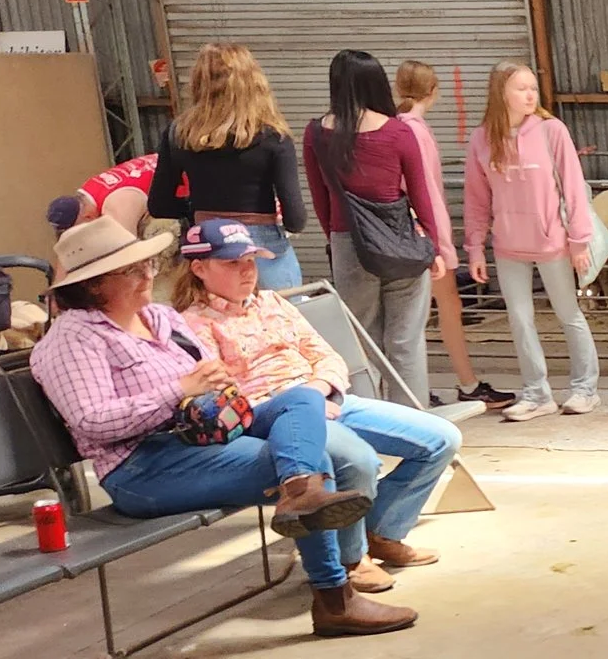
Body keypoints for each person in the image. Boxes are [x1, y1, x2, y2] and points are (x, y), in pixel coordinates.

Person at [28, 219, 412, 637]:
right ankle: (334, 596)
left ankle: (304, 492)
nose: (148, 276)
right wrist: (178, 391)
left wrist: (217, 383)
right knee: (304, 463)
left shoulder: (158, 318)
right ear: (93, 286)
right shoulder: (73, 338)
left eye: (149, 265)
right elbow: (91, 421)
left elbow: (212, 381)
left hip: (206, 431)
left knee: (301, 401)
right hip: (144, 465)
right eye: (132, 270)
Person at [169, 218, 460, 597]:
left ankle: (382, 530)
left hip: (326, 399)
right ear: (199, 268)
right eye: (232, 263)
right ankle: (351, 559)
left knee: (441, 438)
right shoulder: (191, 326)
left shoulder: (273, 302)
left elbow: (326, 355)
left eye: (252, 261)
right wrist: (303, 406)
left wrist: (318, 391)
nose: (247, 271)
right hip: (280, 418)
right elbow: (225, 395)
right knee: (358, 461)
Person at [303, 49, 444, 408]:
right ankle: (415, 423)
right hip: (402, 244)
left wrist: (338, 239)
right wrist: (436, 247)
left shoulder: (317, 133)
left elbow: (321, 198)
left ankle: (373, 422)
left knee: (360, 338)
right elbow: (421, 194)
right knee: (406, 339)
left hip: (349, 243)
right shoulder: (398, 132)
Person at [465, 62, 599, 421]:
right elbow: (477, 199)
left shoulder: (551, 130)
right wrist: (475, 246)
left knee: (568, 314)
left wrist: (579, 240)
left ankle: (585, 389)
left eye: (532, 88)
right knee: (520, 319)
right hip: (508, 245)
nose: (529, 95)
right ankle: (536, 393)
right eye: (520, 88)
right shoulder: (482, 139)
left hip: (553, 241)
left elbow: (573, 186)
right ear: (500, 93)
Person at [394, 61, 512, 410]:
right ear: (434, 91)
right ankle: (465, 383)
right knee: (443, 308)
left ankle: (414, 384)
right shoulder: (416, 132)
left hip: (402, 235)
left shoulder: (395, 126)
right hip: (423, 236)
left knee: (416, 314)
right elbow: (428, 192)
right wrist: (443, 244)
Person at [147, 42, 309, 289]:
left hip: (207, 248)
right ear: (254, 82)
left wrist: (197, 209)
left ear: (199, 83)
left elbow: (159, 205)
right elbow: (296, 219)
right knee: (284, 320)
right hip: (264, 251)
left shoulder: (178, 134)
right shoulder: (274, 137)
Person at [47, 153, 175, 239]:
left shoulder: (116, 206)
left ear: (88, 216)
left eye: (80, 231)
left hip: (185, 176)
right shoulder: (89, 189)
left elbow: (128, 255)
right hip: (169, 158)